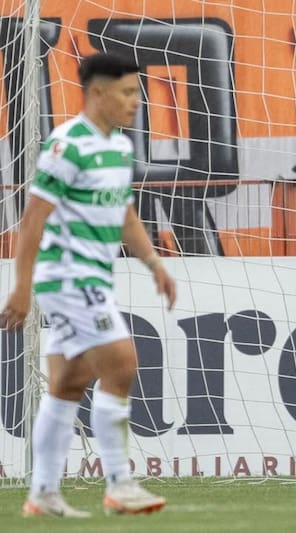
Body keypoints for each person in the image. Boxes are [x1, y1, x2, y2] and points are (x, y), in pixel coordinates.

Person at [0, 53, 176, 517]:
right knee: (121, 361)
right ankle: (119, 482)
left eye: (137, 92)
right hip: (67, 275)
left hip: (92, 276)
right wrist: (22, 288)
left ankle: (42, 492)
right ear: (97, 93)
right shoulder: (66, 145)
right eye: (127, 93)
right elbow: (33, 221)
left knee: (69, 383)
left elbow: (123, 215)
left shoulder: (118, 147)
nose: (136, 102)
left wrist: (154, 263)